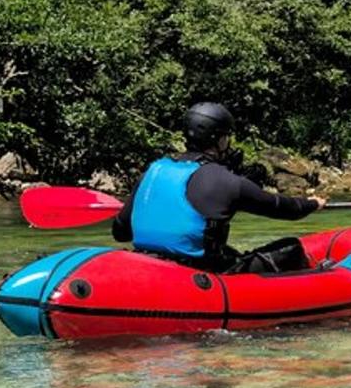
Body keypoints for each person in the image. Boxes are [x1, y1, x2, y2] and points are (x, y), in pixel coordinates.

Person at [112, 102, 327, 273]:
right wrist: (312, 204)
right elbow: (283, 208)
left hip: (148, 263)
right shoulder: (227, 181)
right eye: (226, 137)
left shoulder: (154, 170)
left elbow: (120, 233)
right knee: (291, 248)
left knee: (229, 251)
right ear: (218, 139)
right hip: (198, 272)